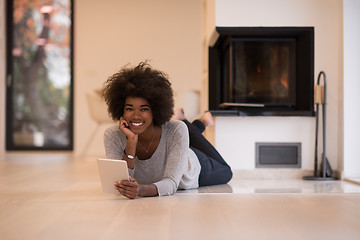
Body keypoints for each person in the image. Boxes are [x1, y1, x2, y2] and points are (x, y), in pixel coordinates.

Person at [102, 62, 232, 199]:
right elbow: (119, 184)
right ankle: (198, 123)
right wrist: (131, 142)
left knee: (226, 172)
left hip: (190, 166)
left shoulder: (175, 130)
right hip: (174, 139)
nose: (135, 115)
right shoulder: (112, 136)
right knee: (178, 130)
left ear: (156, 109)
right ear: (121, 109)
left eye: (144, 109)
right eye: (129, 108)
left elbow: (171, 183)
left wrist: (140, 190)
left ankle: (192, 122)